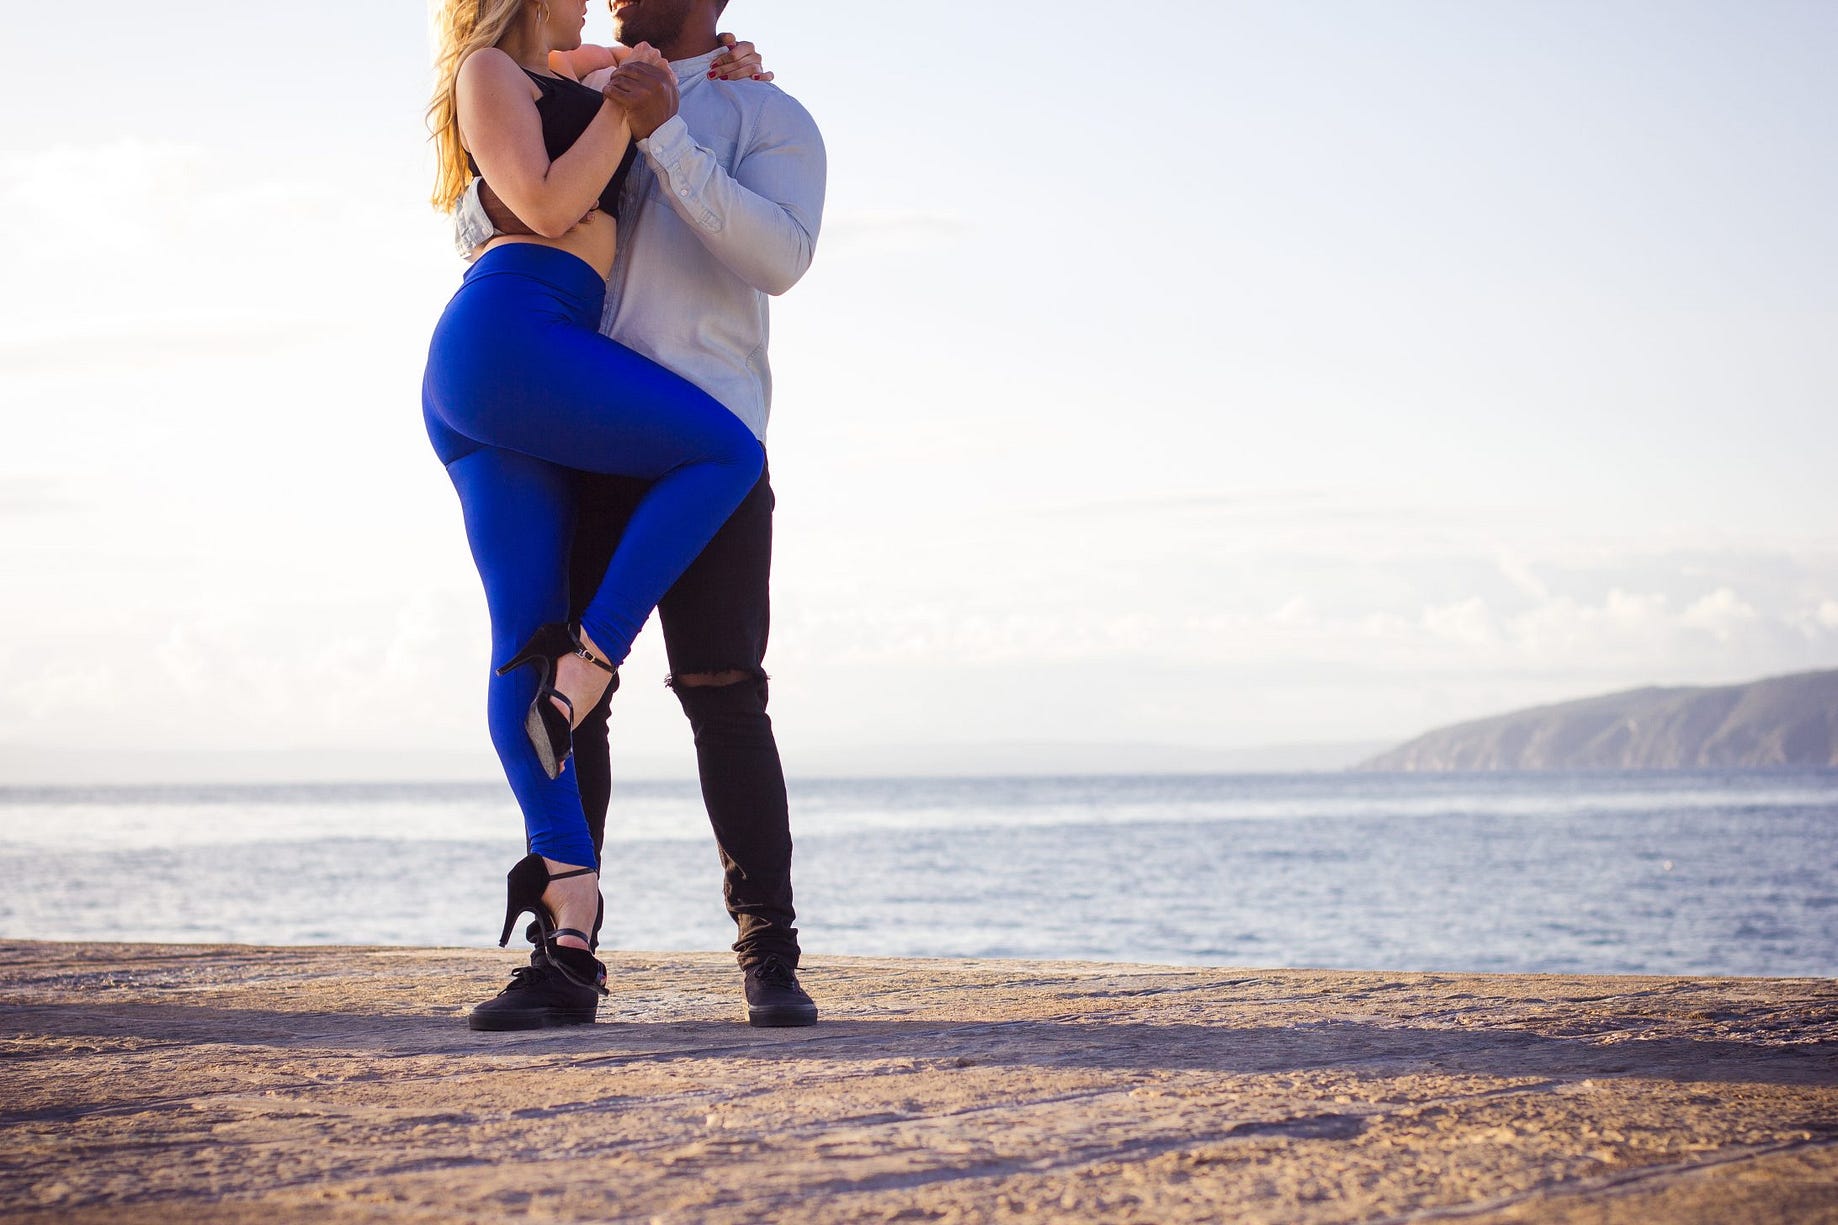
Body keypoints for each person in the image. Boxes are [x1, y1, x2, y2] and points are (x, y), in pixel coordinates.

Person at [454, 0, 827, 1031]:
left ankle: (769, 955)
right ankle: (566, 956)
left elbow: (781, 259)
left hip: (707, 437)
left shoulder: (765, 114)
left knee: (724, 695)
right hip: (582, 436)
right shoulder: (582, 83)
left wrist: (667, 130)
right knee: (567, 696)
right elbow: (502, 197)